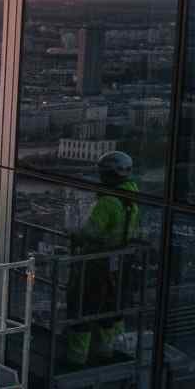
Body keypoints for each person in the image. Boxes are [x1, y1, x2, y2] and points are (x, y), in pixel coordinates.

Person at [65, 150, 141, 368]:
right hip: (120, 261)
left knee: (82, 306)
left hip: (98, 261)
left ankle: (76, 358)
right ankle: (107, 351)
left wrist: (75, 234)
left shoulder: (108, 202)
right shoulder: (132, 198)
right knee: (110, 307)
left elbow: (91, 231)